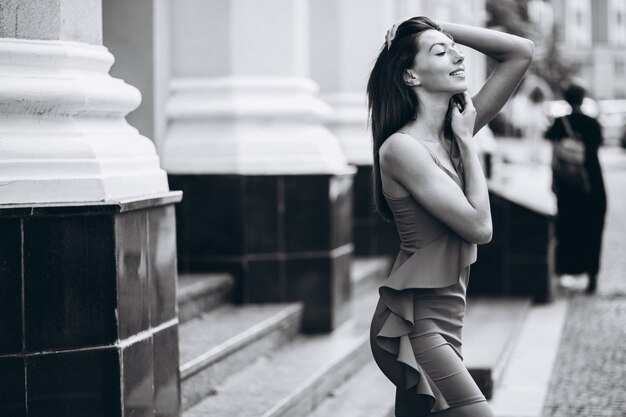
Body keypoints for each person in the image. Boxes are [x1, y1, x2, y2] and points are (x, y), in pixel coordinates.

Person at [366, 17, 533, 416]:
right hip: (415, 326)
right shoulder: (403, 149)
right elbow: (480, 227)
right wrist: (466, 142)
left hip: (448, 320)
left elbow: (519, 52)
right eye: (441, 52)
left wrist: (440, 26)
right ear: (410, 75)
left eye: (453, 48)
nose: (458, 55)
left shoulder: (450, 135)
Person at [545, 83, 607, 294]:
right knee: (593, 227)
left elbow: (553, 155)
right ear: (583, 98)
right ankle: (592, 276)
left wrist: (553, 180)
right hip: (591, 181)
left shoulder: (560, 123)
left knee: (567, 226)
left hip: (567, 183)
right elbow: (597, 147)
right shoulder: (592, 123)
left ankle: (565, 273)